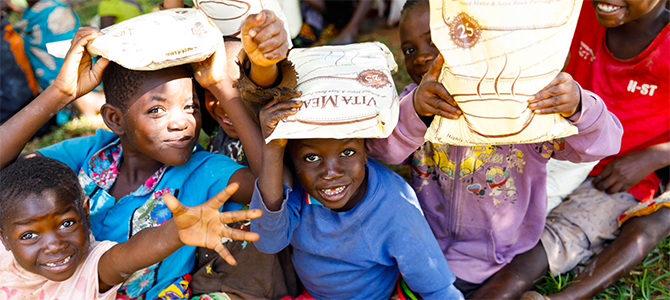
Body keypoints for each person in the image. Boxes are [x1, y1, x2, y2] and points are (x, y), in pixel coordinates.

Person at [0, 15, 285, 298]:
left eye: (191, 107)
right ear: (115, 119)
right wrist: (60, 94)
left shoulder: (203, 171)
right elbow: (10, 172)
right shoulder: (91, 153)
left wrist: (222, 87)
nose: (181, 122)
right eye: (157, 110)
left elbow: (276, 187)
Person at [364, 0, 624, 297]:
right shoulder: (416, 102)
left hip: (495, 252)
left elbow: (604, 144)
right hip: (424, 238)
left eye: (436, 42)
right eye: (409, 49)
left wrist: (579, 105)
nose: (422, 57)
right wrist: (416, 112)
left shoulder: (527, 108)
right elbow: (383, 151)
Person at [502, 0, 670, 299]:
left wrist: (656, 155)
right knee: (496, 232)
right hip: (560, 149)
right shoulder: (580, 12)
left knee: (553, 242)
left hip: (618, 176)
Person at [248, 89, 464, 298]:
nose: (331, 173)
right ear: (292, 161)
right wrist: (273, 148)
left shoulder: (396, 208)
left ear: (365, 152)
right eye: (311, 158)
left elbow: (436, 287)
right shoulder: (297, 188)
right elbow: (269, 242)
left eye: (347, 152)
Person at [0, 156, 261, 300]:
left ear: (86, 214)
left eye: (67, 223)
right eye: (29, 235)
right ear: (4, 239)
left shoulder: (92, 267)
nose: (54, 244)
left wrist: (176, 232)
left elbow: (124, 258)